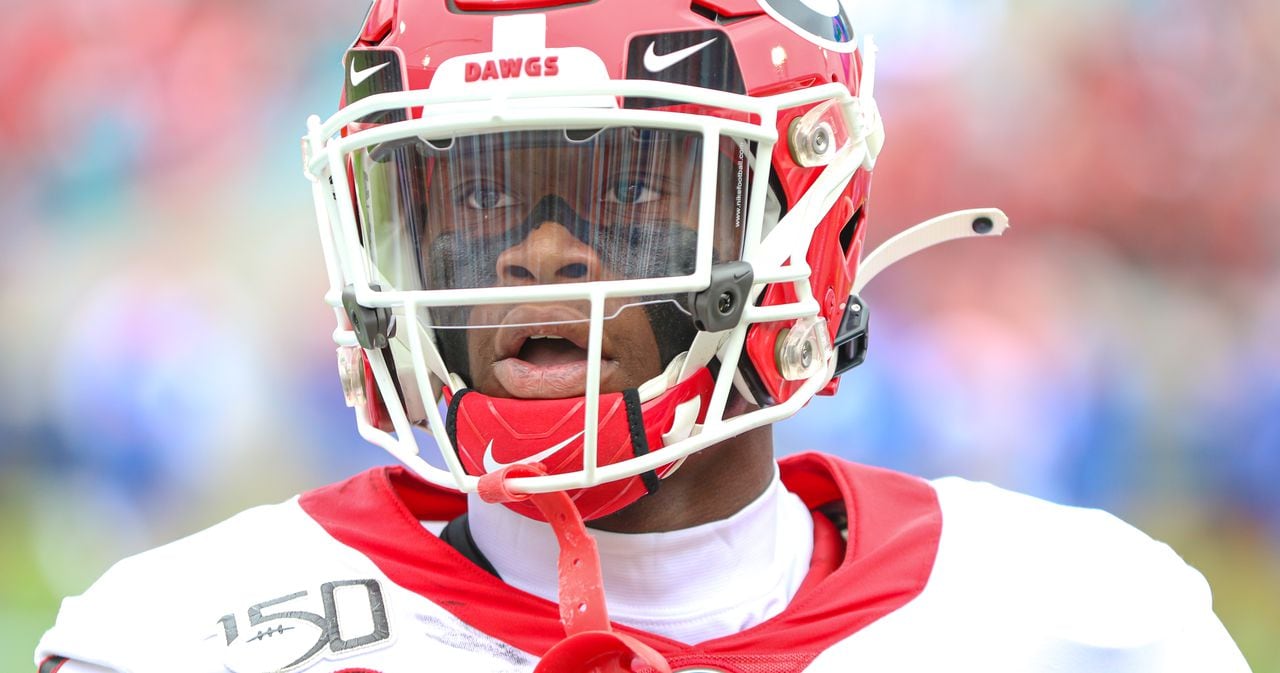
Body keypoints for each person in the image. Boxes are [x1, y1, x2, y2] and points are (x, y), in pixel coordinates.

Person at [36, 1, 1251, 672]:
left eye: (628, 187)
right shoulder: (183, 641)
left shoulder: (1082, 624)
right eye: (474, 196)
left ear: (799, 222)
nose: (536, 252)